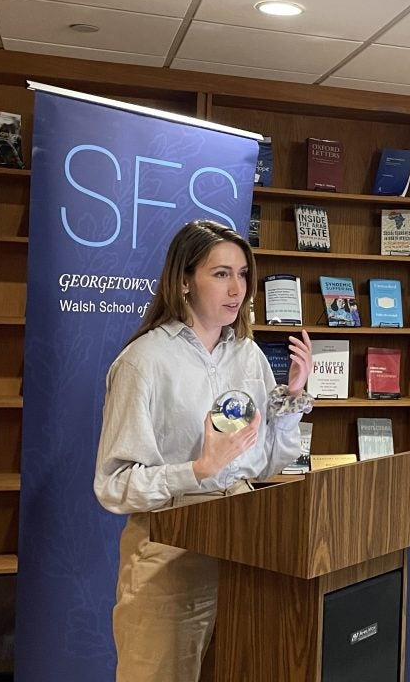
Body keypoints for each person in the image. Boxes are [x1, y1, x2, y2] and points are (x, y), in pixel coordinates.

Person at [93, 219, 314, 682]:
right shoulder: (143, 362)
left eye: (243, 274)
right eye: (220, 274)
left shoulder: (249, 356)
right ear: (183, 281)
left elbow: (269, 460)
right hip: (170, 559)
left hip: (247, 554)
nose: (237, 289)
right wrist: (196, 471)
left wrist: (292, 401)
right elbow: (114, 486)